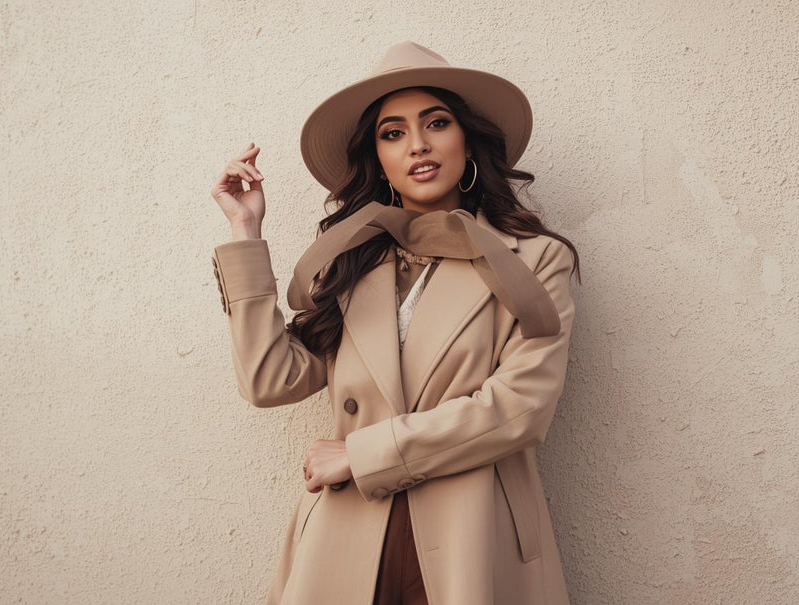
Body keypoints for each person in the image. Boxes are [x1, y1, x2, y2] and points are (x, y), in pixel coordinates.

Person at [208, 41, 581, 605]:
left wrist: (361, 453)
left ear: (467, 140)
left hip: (474, 537)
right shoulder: (351, 260)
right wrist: (246, 233)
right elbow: (269, 380)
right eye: (393, 132)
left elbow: (522, 409)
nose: (419, 145)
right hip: (348, 534)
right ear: (377, 160)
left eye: (436, 122)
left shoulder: (532, 260)